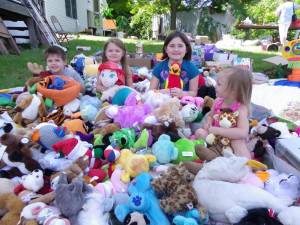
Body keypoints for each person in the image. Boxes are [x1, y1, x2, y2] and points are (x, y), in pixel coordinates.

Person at [195, 66, 252, 159]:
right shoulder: (218, 101)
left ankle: (246, 167)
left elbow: (243, 132)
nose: (215, 86)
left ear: (233, 90)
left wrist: (219, 131)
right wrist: (208, 123)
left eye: (219, 84)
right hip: (215, 137)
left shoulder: (241, 108)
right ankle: (212, 154)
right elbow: (210, 116)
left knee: (238, 144)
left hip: (230, 140)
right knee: (200, 132)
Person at [149, 31, 199, 97]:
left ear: (186, 49)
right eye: (172, 46)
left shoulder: (192, 69)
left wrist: (182, 94)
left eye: (180, 46)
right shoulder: (159, 68)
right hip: (164, 103)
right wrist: (161, 92)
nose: (176, 49)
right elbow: (150, 91)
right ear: (166, 49)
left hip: (184, 104)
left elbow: (193, 93)